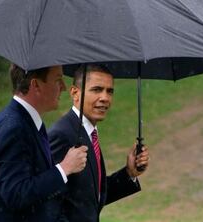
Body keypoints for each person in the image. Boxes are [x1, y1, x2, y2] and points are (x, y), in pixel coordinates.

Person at [0, 64, 89, 222]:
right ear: (35, 85)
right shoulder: (14, 128)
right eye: (58, 80)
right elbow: (16, 194)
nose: (63, 87)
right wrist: (64, 168)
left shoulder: (24, 122)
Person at [48, 64, 150, 222]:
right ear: (75, 93)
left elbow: (90, 197)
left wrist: (129, 173)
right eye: (97, 89)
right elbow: (47, 204)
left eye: (110, 91)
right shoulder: (61, 135)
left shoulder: (89, 132)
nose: (105, 98)